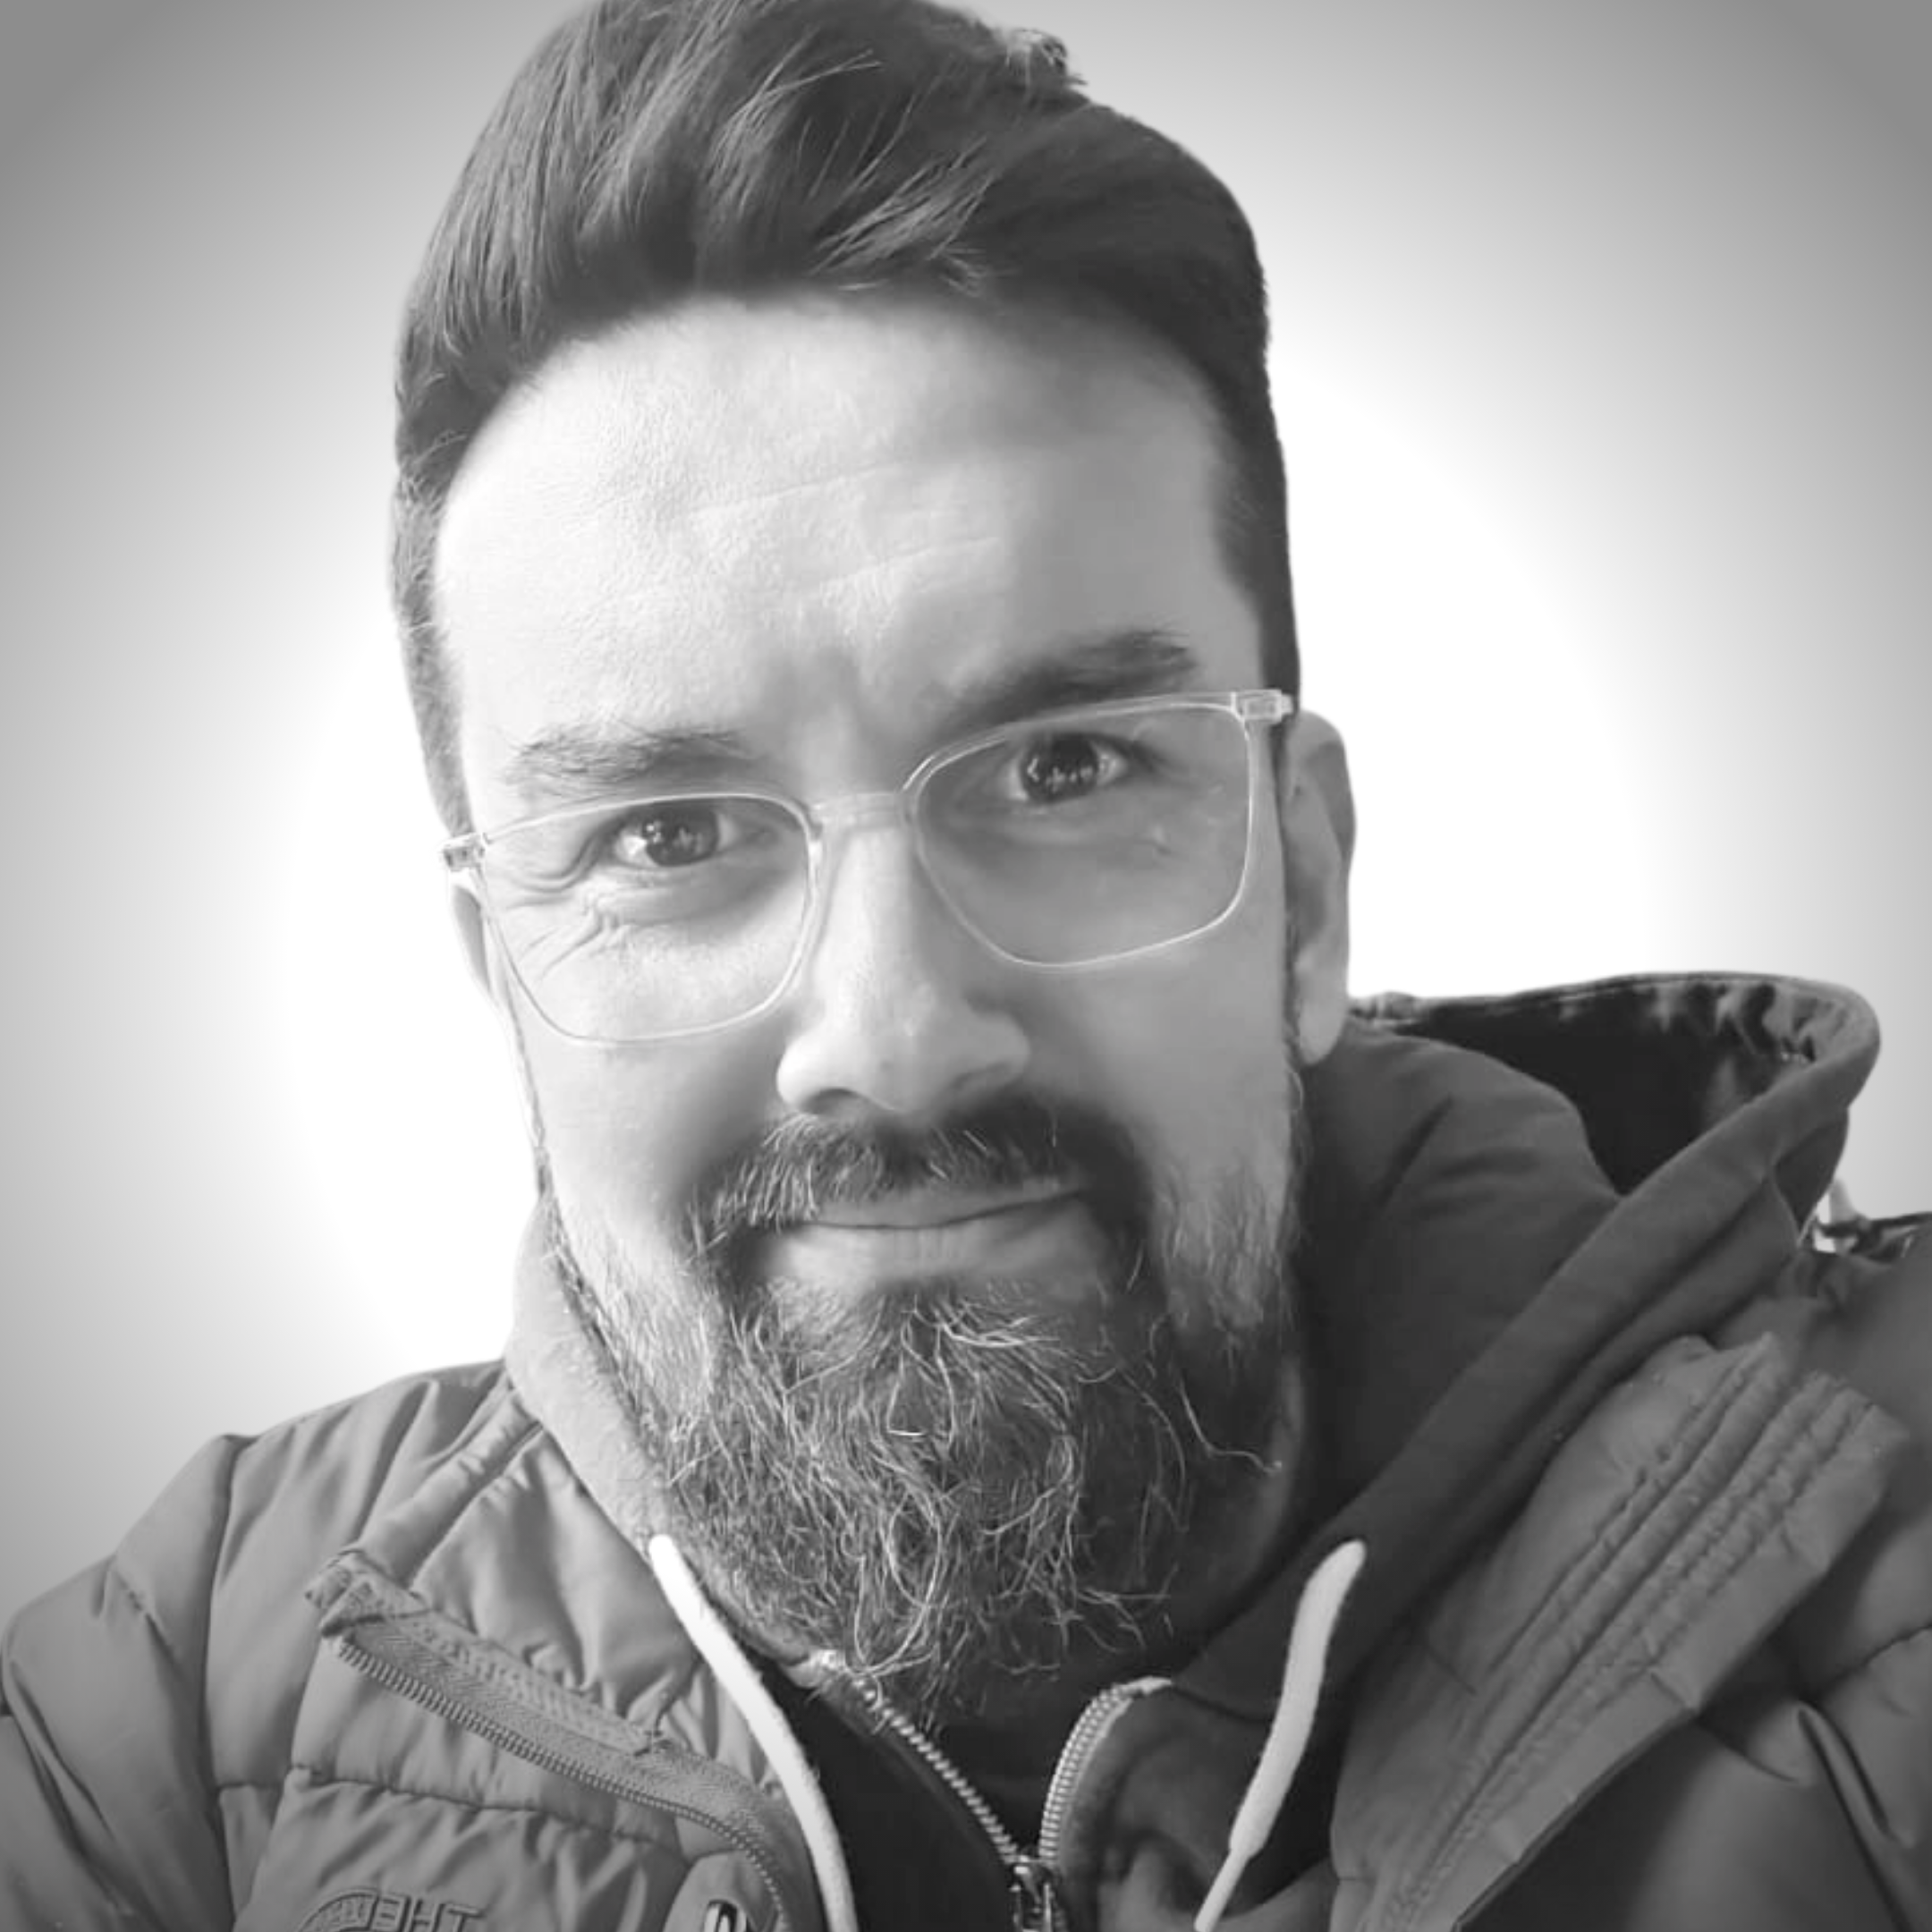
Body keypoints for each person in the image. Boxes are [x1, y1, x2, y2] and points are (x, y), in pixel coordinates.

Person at [3, 0, 1926, 1925]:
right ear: (505, 976)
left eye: (1061, 769)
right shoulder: (186, 1698)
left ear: (1305, 885)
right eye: (666, 838)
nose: (895, 1033)